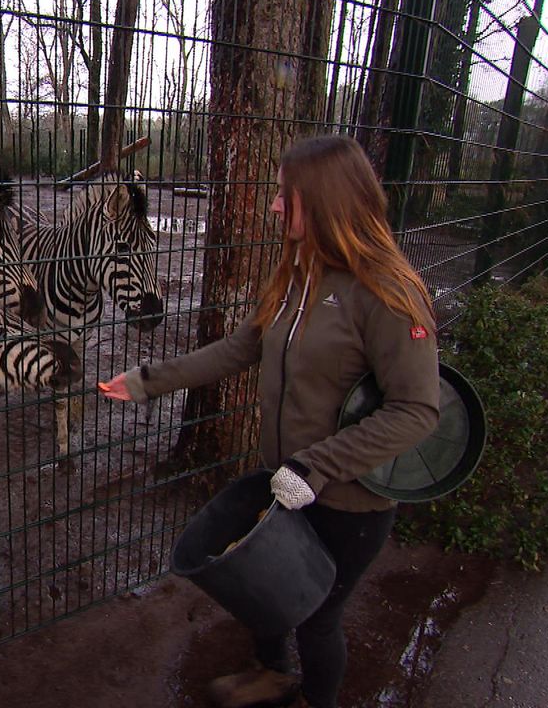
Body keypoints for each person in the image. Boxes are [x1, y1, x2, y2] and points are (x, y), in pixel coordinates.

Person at [100, 135, 440, 708]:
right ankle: (272, 672)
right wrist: (146, 380)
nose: (276, 206)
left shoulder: (388, 293)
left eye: (287, 195)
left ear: (328, 200)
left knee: (317, 616)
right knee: (264, 587)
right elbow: (240, 348)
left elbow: (417, 411)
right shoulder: (297, 275)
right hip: (285, 479)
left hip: (348, 502)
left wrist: (316, 464)